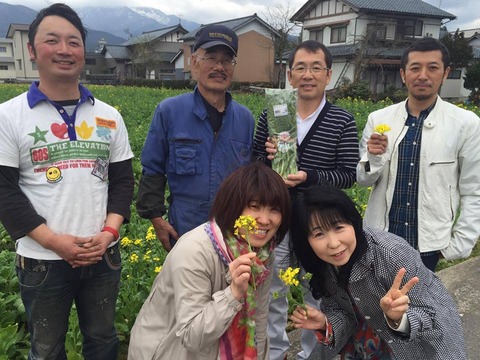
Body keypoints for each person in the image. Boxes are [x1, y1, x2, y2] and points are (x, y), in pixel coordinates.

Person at [0, 3, 134, 359]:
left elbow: (122, 182)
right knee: (45, 349)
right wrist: (54, 242)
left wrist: (108, 233)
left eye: (73, 42)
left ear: (83, 50)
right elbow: (4, 192)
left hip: (102, 256)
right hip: (42, 260)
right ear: (32, 50)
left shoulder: (109, 116)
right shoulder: (9, 116)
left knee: (103, 340)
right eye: (52, 40)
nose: (64, 50)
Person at [252, 40, 359, 359]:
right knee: (273, 291)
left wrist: (310, 177)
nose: (308, 74)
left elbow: (348, 174)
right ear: (289, 74)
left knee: (320, 292)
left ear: (328, 75)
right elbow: (254, 162)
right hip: (279, 217)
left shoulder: (342, 120)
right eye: (300, 67)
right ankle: (275, 352)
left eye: (316, 68)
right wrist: (268, 158)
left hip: (320, 222)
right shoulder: (273, 113)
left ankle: (312, 354)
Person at [128, 162, 291, 359]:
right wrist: (233, 294)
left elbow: (259, 319)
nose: (265, 220)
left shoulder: (263, 252)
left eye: (274, 210)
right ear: (233, 206)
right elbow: (191, 336)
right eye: (254, 207)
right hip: (172, 352)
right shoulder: (194, 251)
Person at [289, 185, 467, 360]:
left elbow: (430, 313)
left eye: (339, 227)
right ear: (306, 240)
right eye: (319, 234)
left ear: (353, 221)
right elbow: (342, 312)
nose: (334, 243)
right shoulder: (321, 264)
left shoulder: (391, 253)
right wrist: (324, 323)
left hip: (420, 348)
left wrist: (398, 318)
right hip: (367, 345)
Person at [357, 37, 480, 272]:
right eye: (415, 68)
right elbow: (363, 181)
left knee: (420, 309)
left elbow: (474, 190)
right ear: (404, 74)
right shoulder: (379, 119)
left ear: (445, 73)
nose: (423, 75)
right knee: (377, 307)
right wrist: (373, 158)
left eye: (433, 68)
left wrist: (458, 245)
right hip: (381, 241)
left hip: (430, 247)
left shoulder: (466, 124)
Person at [136, 24, 254, 252]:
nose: (219, 67)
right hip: (185, 226)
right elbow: (152, 169)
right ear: (194, 62)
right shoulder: (169, 111)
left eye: (227, 60)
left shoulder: (245, 118)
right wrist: (156, 219)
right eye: (211, 58)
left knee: (234, 287)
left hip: (232, 227)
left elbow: (252, 175)